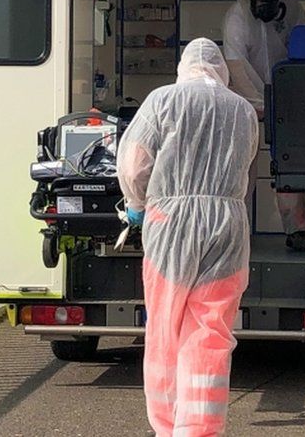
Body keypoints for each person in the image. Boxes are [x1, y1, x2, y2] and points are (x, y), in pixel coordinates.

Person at [118, 38, 258, 437]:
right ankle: (198, 430)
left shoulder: (163, 100)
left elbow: (133, 164)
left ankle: (166, 426)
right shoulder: (243, 109)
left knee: (165, 326)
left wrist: (137, 204)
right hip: (227, 223)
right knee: (210, 332)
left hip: (171, 221)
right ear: (221, 70)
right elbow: (247, 160)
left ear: (183, 67)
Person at [222, 0, 305, 252]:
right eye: (260, 5)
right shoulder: (236, 18)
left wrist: (288, 96)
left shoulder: (292, 7)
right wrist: (261, 103)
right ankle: (236, 231)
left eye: (271, 3)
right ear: (250, 2)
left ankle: (297, 230)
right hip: (246, 99)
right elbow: (237, 67)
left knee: (289, 162)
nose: (266, 9)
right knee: (242, 165)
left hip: (287, 93)